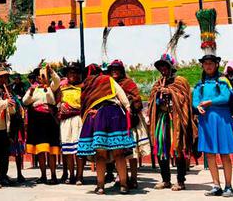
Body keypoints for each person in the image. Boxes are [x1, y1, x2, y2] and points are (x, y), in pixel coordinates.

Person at [77, 65, 135, 195]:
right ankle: (124, 185)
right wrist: (127, 110)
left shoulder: (86, 85)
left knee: (100, 154)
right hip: (114, 114)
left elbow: (84, 105)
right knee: (118, 153)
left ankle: (101, 186)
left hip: (98, 117)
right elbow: (121, 95)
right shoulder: (108, 80)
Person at [194, 55, 233, 197]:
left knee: (224, 154)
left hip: (222, 120)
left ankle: (228, 186)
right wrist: (197, 107)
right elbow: (195, 99)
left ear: (216, 65)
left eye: (211, 63)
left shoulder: (222, 80)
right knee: (209, 154)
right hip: (206, 122)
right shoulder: (200, 83)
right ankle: (216, 185)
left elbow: (225, 97)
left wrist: (210, 102)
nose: (208, 66)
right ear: (202, 66)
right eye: (205, 64)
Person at [148, 54, 196, 191]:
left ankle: (180, 181)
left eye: (165, 66)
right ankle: (165, 180)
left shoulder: (180, 81)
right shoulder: (158, 83)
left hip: (176, 120)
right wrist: (157, 94)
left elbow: (184, 98)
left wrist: (170, 92)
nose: (163, 69)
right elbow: (152, 100)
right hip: (162, 120)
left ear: (170, 67)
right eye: (161, 66)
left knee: (178, 149)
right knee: (162, 150)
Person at [107, 59, 150, 189]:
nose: (115, 71)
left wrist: (128, 102)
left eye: (117, 69)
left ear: (121, 71)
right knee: (118, 151)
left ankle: (134, 178)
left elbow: (137, 99)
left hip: (130, 121)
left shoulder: (128, 83)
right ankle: (122, 176)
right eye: (112, 69)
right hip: (115, 121)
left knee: (132, 152)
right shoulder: (108, 84)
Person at [23, 64, 61, 184]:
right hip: (37, 121)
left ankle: (53, 176)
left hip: (49, 119)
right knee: (40, 150)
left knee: (51, 150)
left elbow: (57, 81)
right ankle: (43, 175)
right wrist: (31, 92)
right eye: (39, 76)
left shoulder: (51, 87)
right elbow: (25, 101)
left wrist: (51, 72)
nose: (41, 78)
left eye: (43, 76)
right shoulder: (33, 89)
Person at [57, 62, 84, 185]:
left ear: (79, 74)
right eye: (70, 72)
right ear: (67, 74)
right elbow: (56, 101)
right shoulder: (62, 87)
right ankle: (71, 175)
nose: (72, 74)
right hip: (65, 120)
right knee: (67, 150)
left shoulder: (83, 87)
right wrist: (60, 106)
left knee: (79, 150)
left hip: (78, 119)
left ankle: (79, 175)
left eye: (75, 72)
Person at [8, 72, 27, 183]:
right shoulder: (4, 97)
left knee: (18, 152)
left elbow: (21, 110)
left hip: (17, 126)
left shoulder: (16, 97)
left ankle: (19, 174)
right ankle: (3, 174)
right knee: (5, 152)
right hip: (7, 127)